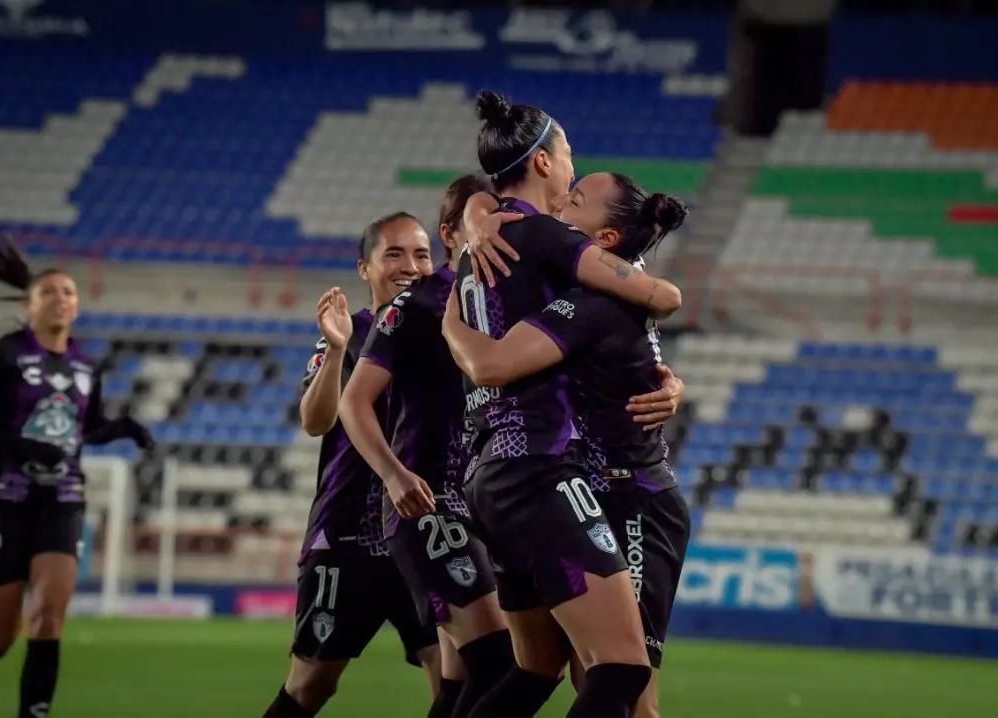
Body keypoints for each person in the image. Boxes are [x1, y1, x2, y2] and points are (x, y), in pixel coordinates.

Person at [446, 90, 683, 718]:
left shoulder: (485, 245)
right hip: (546, 470)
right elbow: (662, 296)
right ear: (545, 162)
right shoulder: (551, 242)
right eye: (570, 155)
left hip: (489, 473)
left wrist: (474, 216)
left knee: (537, 668)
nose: (572, 170)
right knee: (623, 672)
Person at [338, 176, 513, 718]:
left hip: (483, 504)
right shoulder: (415, 305)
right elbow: (353, 403)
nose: (497, 230)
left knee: (458, 687)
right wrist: (392, 475)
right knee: (501, 664)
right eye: (483, 219)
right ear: (452, 233)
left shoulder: (511, 299)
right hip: (429, 503)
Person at [0, 239, 153, 718]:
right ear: (29, 305)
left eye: (68, 292)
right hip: (3, 498)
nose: (61, 298)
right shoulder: (4, 354)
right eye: (49, 292)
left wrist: (121, 427)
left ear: (78, 306)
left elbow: (83, 429)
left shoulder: (85, 366)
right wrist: (21, 446)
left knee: (48, 617)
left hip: (62, 499)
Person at [263, 213, 444, 718]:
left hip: (428, 528)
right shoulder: (352, 332)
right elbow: (316, 421)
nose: (411, 266)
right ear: (364, 268)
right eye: (395, 254)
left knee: (455, 674)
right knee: (312, 684)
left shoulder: (451, 331)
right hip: (348, 535)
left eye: (422, 254)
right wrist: (338, 348)